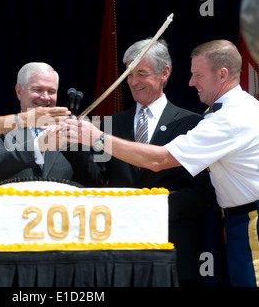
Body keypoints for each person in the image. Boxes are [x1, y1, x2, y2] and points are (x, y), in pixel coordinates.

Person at [66, 39, 259, 287]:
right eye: (129, 74)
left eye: (198, 75)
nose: (191, 82)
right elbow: (96, 178)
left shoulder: (225, 119)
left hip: (249, 224)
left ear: (222, 74)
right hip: (239, 221)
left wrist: (96, 137)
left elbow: (161, 160)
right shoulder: (230, 111)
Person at [90, 39, 217, 286]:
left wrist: (152, 208)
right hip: (120, 251)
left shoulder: (193, 124)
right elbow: (95, 179)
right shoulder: (108, 125)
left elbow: (204, 191)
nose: (134, 82)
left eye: (141, 73)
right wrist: (75, 148)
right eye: (129, 74)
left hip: (173, 250)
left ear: (164, 73)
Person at [0, 62, 103, 186]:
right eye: (38, 90)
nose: (45, 97)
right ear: (19, 91)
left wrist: (72, 144)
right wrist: (38, 146)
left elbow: (94, 182)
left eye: (51, 92)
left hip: (62, 205)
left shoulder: (72, 129)